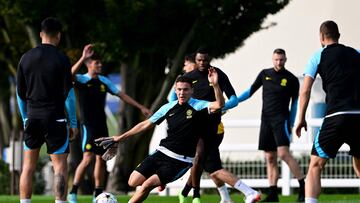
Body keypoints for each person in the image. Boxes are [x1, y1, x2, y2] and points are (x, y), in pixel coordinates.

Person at [95, 69, 224, 203]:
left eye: (185, 90)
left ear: (192, 90)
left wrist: (215, 85)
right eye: (179, 89)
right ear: (175, 89)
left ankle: (157, 181)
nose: (182, 93)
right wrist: (119, 138)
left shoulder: (199, 105)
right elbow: (145, 125)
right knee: (133, 181)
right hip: (161, 153)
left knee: (146, 185)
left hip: (180, 160)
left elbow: (220, 104)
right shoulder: (168, 107)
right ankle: (160, 180)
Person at [68, 45, 152, 203]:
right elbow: (69, 75)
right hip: (88, 126)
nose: (100, 66)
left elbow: (122, 95)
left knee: (101, 159)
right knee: (87, 159)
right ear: (89, 64)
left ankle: (97, 194)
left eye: (100, 63)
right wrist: (82, 57)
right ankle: (72, 192)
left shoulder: (104, 81)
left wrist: (141, 107)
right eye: (96, 63)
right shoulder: (81, 79)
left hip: (102, 126)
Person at [179, 48, 260, 203]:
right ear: (196, 61)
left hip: (213, 129)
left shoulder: (218, 75)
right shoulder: (188, 78)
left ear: (210, 59)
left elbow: (234, 100)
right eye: (199, 60)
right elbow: (180, 102)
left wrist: (219, 107)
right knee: (203, 162)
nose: (202, 63)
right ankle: (223, 197)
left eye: (205, 60)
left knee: (210, 166)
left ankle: (249, 192)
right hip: (194, 129)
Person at [295, 20, 360, 203]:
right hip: (358, 117)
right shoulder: (356, 54)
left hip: (336, 117)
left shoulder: (318, 56)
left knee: (315, 165)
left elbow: (305, 90)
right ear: (339, 36)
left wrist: (300, 118)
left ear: (322, 37)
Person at [16, 17, 78, 203]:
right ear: (58, 36)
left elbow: (20, 95)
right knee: (59, 168)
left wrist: (26, 118)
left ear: (41, 34)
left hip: (33, 118)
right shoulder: (62, 59)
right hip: (55, 119)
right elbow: (69, 96)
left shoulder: (25, 58)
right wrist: (73, 123)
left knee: (28, 166)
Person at [236, 49, 305, 202]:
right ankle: (273, 194)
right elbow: (250, 91)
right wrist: (234, 102)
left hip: (282, 121)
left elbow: (294, 105)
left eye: (281, 60)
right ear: (272, 59)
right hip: (266, 121)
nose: (278, 62)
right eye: (276, 60)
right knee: (270, 158)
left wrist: (291, 124)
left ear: (285, 59)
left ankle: (303, 186)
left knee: (283, 154)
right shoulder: (264, 74)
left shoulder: (292, 79)